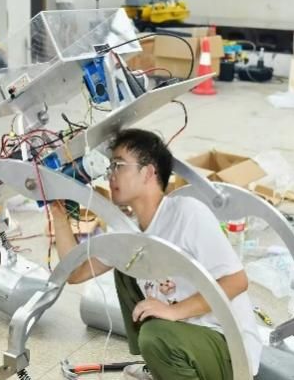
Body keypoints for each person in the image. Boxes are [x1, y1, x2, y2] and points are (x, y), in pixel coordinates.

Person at [50, 129, 262, 380]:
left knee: (154, 336)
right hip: (186, 334)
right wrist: (59, 215)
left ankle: (170, 358)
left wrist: (174, 311)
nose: (110, 175)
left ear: (149, 172)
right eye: (110, 167)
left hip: (228, 348)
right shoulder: (127, 229)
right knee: (126, 263)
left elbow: (236, 281)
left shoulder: (187, 213)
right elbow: (74, 273)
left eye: (118, 165)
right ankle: (159, 366)